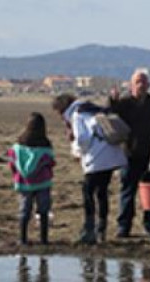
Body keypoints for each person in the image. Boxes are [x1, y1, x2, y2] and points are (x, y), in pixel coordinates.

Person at [52, 93, 127, 244]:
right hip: (111, 156)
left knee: (88, 192)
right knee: (102, 192)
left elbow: (82, 139)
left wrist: (76, 150)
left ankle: (89, 229)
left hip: (96, 159)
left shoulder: (77, 115)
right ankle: (102, 229)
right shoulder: (91, 108)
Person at [107, 70, 150, 238]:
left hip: (149, 155)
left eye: (144, 82)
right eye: (138, 82)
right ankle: (124, 226)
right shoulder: (124, 103)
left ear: (149, 85)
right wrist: (112, 101)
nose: (141, 85)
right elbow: (110, 118)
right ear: (131, 85)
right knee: (127, 192)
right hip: (128, 155)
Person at [7, 112, 56, 246]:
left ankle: (22, 239)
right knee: (43, 211)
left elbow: (12, 163)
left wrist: (16, 175)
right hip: (43, 183)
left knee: (24, 211)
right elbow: (51, 163)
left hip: (24, 184)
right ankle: (44, 240)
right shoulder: (45, 146)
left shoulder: (18, 146)